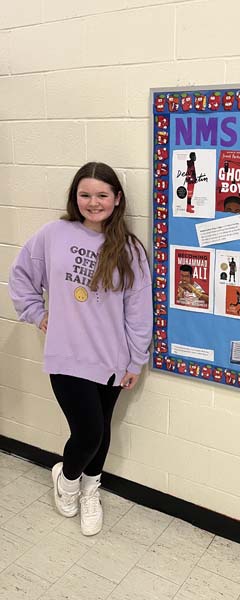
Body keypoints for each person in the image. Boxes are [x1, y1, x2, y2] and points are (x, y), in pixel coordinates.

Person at [8, 162, 153, 537]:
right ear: (75, 198)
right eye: (85, 194)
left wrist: (136, 359)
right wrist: (37, 314)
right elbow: (21, 275)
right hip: (67, 355)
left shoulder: (130, 250)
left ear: (117, 199)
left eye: (102, 195)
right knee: (88, 432)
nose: (93, 202)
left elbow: (138, 312)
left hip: (112, 359)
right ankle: (68, 480)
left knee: (101, 432)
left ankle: (91, 489)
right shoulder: (54, 234)